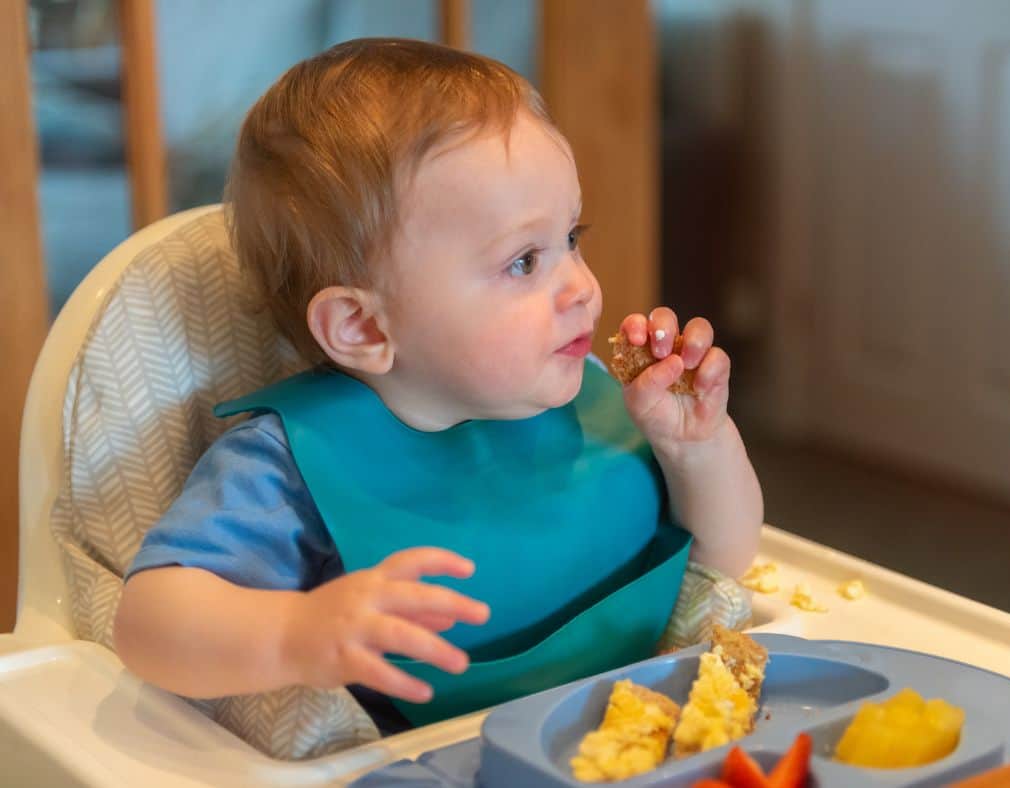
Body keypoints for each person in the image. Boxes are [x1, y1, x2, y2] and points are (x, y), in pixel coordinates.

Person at [113, 38, 764, 734]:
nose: (579, 286)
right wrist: (297, 631)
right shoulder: (290, 468)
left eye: (571, 237)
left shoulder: (596, 396)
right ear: (362, 327)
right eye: (523, 262)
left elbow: (720, 566)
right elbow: (146, 625)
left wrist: (697, 447)